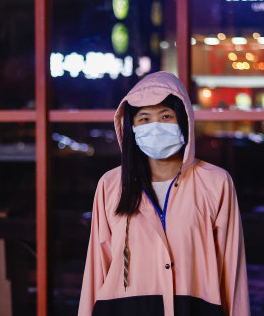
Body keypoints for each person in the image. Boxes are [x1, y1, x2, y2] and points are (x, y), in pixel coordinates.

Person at [78, 71, 249, 316]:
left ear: (184, 120)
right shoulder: (111, 185)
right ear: (131, 127)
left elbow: (232, 272)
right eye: (144, 118)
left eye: (166, 116)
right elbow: (96, 270)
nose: (155, 127)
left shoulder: (216, 183)